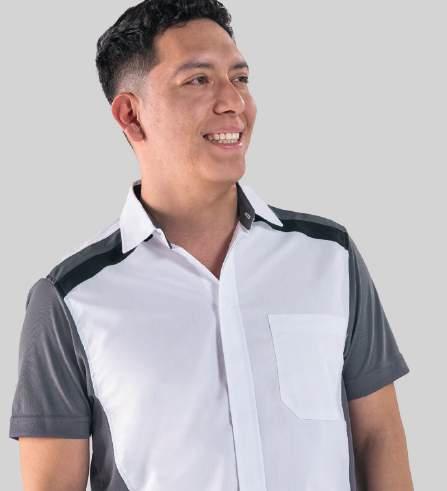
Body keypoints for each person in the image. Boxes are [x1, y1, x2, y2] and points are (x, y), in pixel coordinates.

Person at [9, 1, 414, 490]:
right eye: (198, 80)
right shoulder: (70, 299)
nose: (233, 101)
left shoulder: (329, 257)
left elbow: (378, 437)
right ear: (131, 115)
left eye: (240, 78)